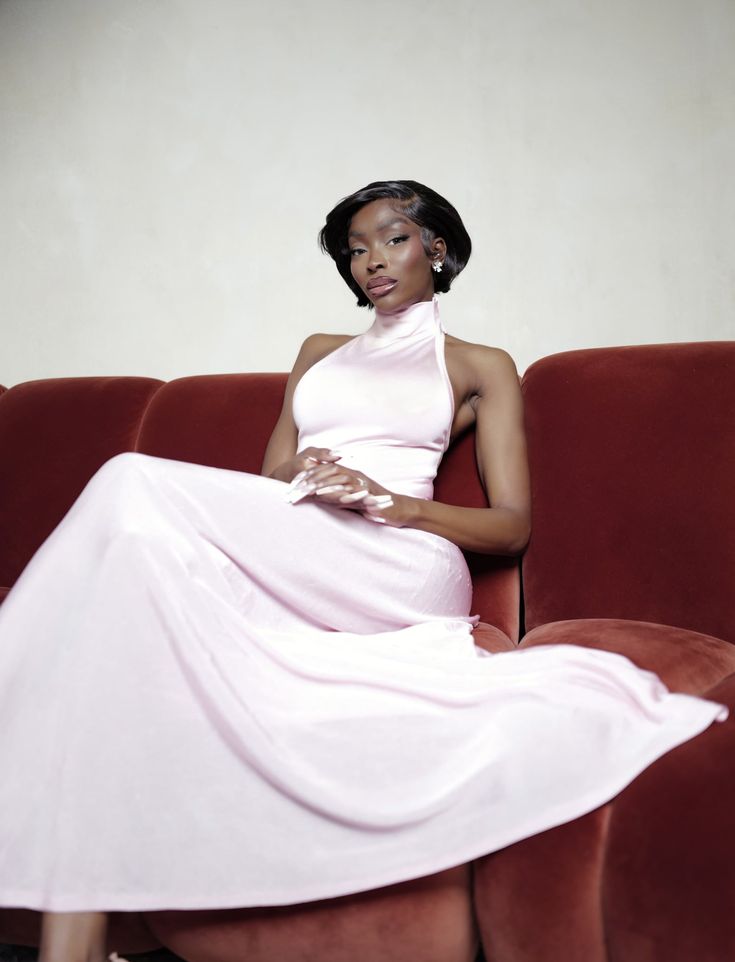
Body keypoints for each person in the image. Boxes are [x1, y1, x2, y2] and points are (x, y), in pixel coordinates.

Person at [0, 181, 726, 962]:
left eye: (392, 239)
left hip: (402, 557)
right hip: (306, 541)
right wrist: (302, 470)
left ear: (435, 249)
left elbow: (510, 527)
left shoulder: (479, 365)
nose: (370, 261)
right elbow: (273, 471)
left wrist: (390, 502)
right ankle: (68, 948)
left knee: (127, 480)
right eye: (355, 248)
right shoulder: (317, 351)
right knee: (128, 605)